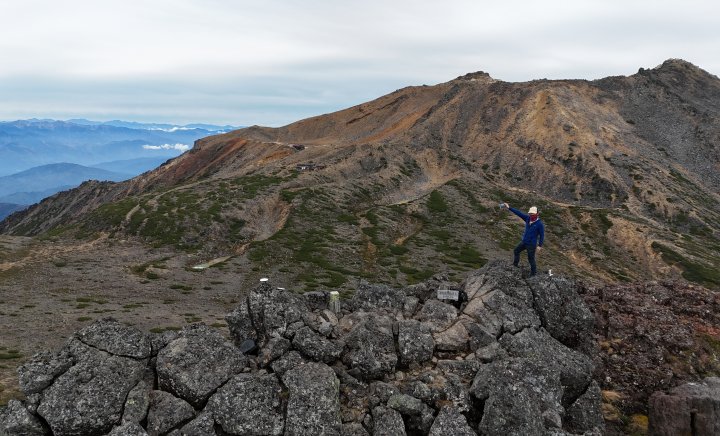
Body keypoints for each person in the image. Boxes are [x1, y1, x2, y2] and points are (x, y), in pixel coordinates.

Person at [502, 203, 544, 276]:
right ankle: (515, 265)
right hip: (524, 241)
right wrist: (509, 207)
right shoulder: (528, 218)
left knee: (531, 259)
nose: (531, 215)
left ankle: (533, 273)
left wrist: (539, 246)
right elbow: (519, 213)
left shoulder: (539, 224)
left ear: (537, 213)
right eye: (530, 214)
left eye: (533, 214)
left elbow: (542, 235)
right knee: (516, 251)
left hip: (531, 244)